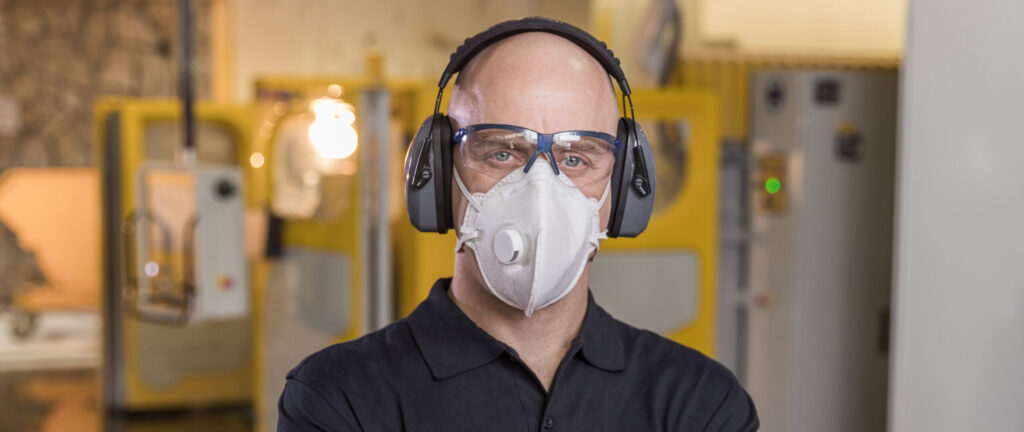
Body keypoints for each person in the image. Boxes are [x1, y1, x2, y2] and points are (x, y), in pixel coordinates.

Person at [278, 18, 758, 431]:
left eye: (576, 157)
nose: (541, 190)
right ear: (438, 177)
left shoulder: (700, 405)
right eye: (502, 152)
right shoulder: (339, 399)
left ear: (624, 189)